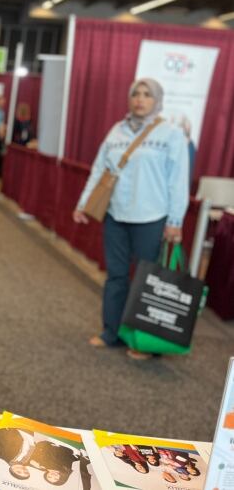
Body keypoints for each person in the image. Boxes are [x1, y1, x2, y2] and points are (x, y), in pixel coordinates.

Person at [73, 78, 189, 360]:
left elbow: (178, 180)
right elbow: (100, 170)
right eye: (135, 93)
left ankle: (145, 342)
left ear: (157, 100)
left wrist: (175, 220)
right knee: (116, 276)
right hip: (116, 214)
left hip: (152, 217)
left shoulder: (171, 134)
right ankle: (111, 332)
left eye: (147, 94)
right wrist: (83, 204)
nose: (139, 99)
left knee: (148, 281)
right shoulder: (117, 131)